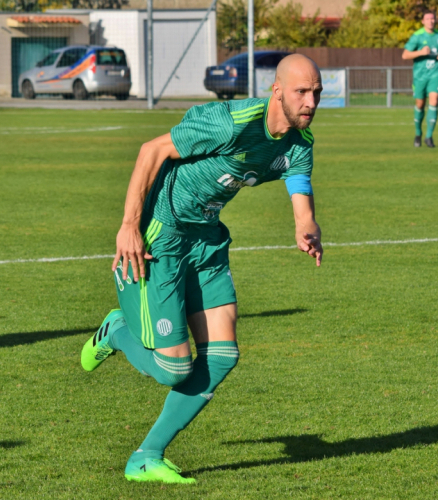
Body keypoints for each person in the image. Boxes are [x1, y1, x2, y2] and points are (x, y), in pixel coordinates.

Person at [80, 53, 324, 485]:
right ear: (277, 91)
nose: (310, 102)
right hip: (164, 233)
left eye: (316, 93)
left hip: (207, 238)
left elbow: (299, 186)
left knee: (223, 355)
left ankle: (146, 457)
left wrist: (306, 225)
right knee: (172, 369)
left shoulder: (299, 142)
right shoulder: (231, 122)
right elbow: (152, 150)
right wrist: (129, 226)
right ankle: (116, 330)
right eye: (301, 91)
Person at [402, 10, 438, 148]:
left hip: (435, 72)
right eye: (427, 19)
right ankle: (418, 133)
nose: (430, 21)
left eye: (432, 18)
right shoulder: (417, 36)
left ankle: (429, 137)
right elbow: (405, 55)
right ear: (422, 21)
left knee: (434, 100)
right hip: (420, 75)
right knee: (420, 104)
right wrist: (420, 52)